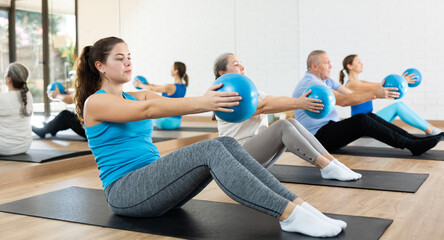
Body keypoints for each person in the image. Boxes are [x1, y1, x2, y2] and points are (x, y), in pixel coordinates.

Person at [74, 36, 345, 237]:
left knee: (224, 142)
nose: (128, 62)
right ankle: (289, 215)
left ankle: (300, 208)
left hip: (154, 183)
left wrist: (209, 98)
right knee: (209, 149)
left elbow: (166, 101)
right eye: (119, 58)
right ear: (100, 66)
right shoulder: (95, 104)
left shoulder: (137, 93)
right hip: (125, 192)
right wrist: (207, 103)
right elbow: (149, 109)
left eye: (129, 56)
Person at [213, 53, 361, 181]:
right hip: (237, 159)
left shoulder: (250, 91)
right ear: (222, 73)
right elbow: (262, 107)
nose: (243, 67)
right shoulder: (223, 96)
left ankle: (333, 163)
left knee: (290, 122)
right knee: (282, 126)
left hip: (255, 155)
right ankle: (326, 167)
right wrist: (299, 103)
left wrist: (300, 102)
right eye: (236, 64)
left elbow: (273, 100)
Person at [292, 50, 442, 156]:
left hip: (329, 131)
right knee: (362, 120)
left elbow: (351, 95)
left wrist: (377, 92)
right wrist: (375, 94)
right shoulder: (310, 84)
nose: (331, 66)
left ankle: (413, 140)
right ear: (314, 66)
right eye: (327, 63)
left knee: (368, 116)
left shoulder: (326, 81)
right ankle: (411, 145)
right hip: (317, 139)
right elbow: (344, 101)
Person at [339, 54, 443, 136]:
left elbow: (380, 84)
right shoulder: (351, 84)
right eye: (358, 62)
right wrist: (403, 80)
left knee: (399, 106)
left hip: (369, 120)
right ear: (349, 66)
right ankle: (430, 130)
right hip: (362, 125)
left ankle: (430, 128)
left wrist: (402, 80)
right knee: (398, 106)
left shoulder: (361, 81)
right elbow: (380, 85)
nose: (362, 64)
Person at [134, 61, 188, 129]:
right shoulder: (183, 86)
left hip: (166, 122)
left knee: (147, 109)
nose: (170, 70)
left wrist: (140, 85)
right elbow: (157, 87)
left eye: (172, 68)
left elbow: (153, 89)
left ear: (176, 71)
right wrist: (148, 84)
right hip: (177, 122)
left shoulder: (170, 87)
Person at [0, 63, 33, 155]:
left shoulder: (3, 99)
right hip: (25, 145)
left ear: (9, 79)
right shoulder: (28, 96)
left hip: (4, 148)